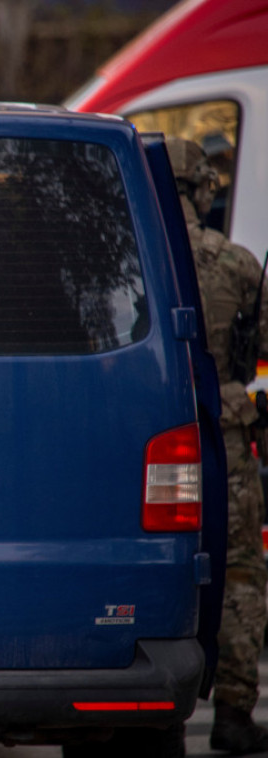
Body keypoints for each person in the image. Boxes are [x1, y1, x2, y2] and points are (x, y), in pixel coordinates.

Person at [168, 136, 268, 755]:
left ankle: (155, 715)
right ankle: (232, 714)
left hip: (145, 437)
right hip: (224, 438)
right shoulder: (234, 263)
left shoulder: (127, 257)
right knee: (239, 575)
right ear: (203, 190)